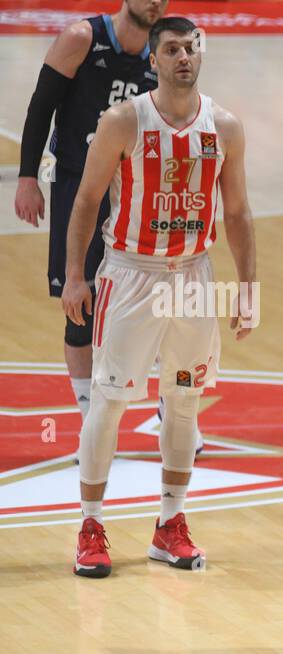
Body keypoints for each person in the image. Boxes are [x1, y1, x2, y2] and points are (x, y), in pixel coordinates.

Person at [63, 15, 257, 578]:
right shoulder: (124, 120)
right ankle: (91, 525)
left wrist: (248, 288)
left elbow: (239, 212)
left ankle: (170, 525)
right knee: (111, 401)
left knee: (184, 402)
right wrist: (76, 276)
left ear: (201, 55)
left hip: (193, 275)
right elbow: (85, 200)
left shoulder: (224, 125)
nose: (183, 58)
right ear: (153, 60)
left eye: (191, 48)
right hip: (130, 273)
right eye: (171, 49)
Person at [16, 0, 164, 425]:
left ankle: (171, 413)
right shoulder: (82, 38)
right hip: (76, 184)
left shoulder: (164, 51)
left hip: (136, 194)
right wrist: (28, 177)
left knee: (149, 304)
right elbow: (40, 108)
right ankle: (90, 420)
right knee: (78, 303)